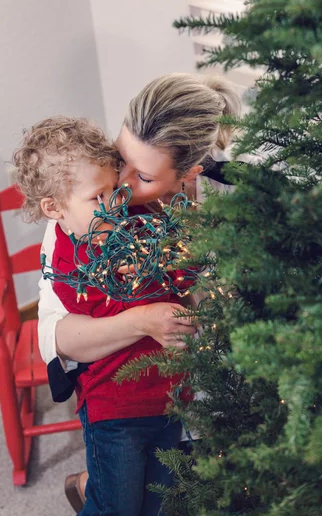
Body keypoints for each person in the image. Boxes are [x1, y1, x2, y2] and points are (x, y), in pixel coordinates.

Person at [37, 73, 242, 513]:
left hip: (189, 391)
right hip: (126, 398)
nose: (122, 187)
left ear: (190, 174)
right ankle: (100, 485)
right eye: (120, 157)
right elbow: (57, 336)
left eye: (144, 175)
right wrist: (142, 319)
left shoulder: (223, 204)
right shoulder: (87, 218)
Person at [13, 116, 197, 516]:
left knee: (158, 503)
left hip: (170, 396)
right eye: (99, 197)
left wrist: (178, 260)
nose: (115, 206)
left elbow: (183, 274)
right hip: (115, 410)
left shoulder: (134, 223)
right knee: (116, 505)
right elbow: (111, 311)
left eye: (115, 190)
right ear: (54, 207)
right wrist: (149, 285)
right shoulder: (69, 259)